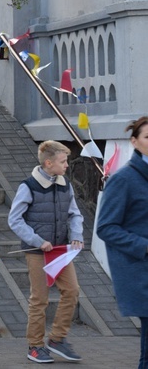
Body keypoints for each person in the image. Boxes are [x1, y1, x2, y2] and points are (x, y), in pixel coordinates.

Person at [8, 140, 84, 364]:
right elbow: (14, 219)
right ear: (48, 163)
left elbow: (75, 214)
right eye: (63, 161)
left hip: (60, 250)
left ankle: (57, 339)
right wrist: (38, 240)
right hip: (37, 251)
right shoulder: (28, 186)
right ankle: (35, 346)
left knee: (72, 291)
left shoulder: (65, 184)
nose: (67, 165)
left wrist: (77, 235)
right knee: (39, 299)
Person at [97, 117, 148, 369]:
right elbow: (105, 227)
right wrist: (144, 245)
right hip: (141, 272)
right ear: (134, 142)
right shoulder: (124, 179)